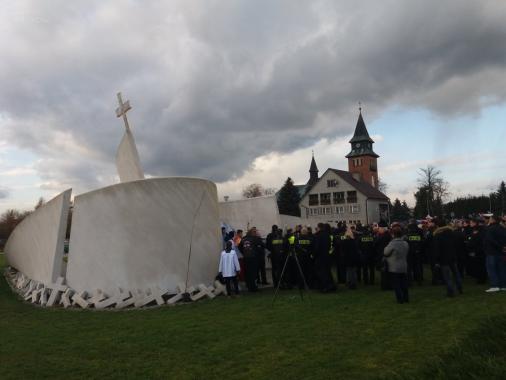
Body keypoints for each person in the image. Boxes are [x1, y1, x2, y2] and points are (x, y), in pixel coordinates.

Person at [433, 219, 462, 297]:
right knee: (456, 274)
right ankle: (460, 288)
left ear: (438, 226)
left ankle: (450, 291)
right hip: (452, 256)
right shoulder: (452, 233)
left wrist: (437, 260)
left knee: (447, 276)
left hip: (444, 258)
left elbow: (437, 249)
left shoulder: (437, 235)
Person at [383, 224, 409, 304]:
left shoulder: (392, 243)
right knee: (404, 284)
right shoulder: (405, 243)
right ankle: (406, 298)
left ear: (393, 234)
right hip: (403, 266)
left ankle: (400, 299)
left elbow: (385, 252)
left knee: (396, 284)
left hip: (394, 267)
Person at [483, 214, 506, 292]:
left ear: (493, 220)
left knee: (492, 269)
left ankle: (495, 285)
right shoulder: (502, 228)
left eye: (491, 218)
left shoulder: (490, 228)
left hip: (492, 252)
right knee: (501, 269)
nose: (489, 219)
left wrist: (500, 246)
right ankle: (503, 285)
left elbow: (490, 240)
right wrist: (503, 247)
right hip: (501, 252)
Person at [313, 223, 336, 292]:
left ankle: (325, 287)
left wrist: (314, 254)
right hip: (327, 256)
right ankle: (331, 285)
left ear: (319, 227)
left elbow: (317, 247)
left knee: (322, 273)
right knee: (327, 271)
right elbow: (331, 246)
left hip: (320, 257)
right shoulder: (328, 235)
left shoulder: (318, 235)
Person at [238, 228, 263, 292]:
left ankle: (249, 286)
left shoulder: (243, 239)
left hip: (246, 258)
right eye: (254, 232)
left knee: (248, 273)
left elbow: (239, 246)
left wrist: (244, 252)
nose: (255, 233)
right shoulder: (254, 238)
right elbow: (262, 245)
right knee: (253, 273)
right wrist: (257, 251)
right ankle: (253, 287)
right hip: (253, 258)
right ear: (252, 232)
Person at [406, 220, 424, 285]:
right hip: (418, 252)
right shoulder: (418, 234)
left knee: (409, 267)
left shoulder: (408, 235)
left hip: (410, 252)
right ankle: (419, 280)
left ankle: (410, 281)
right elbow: (422, 242)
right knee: (418, 266)